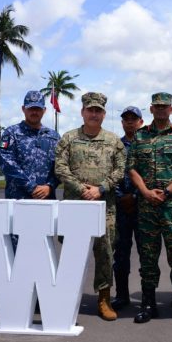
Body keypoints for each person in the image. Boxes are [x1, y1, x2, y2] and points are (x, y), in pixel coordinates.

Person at [54, 92, 125, 321]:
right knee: (72, 252)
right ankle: (66, 297)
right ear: (83, 112)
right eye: (90, 110)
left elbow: (120, 170)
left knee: (105, 253)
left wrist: (101, 188)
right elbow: (60, 167)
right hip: (75, 205)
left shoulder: (114, 141)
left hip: (105, 206)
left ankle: (104, 298)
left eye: (98, 110)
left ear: (103, 114)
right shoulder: (69, 138)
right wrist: (81, 188)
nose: (94, 114)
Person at [127, 92, 172, 325]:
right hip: (147, 206)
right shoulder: (140, 137)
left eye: (164, 107)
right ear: (151, 109)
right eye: (157, 107)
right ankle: (148, 304)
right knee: (148, 256)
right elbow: (132, 168)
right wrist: (146, 192)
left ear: (171, 109)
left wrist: (166, 192)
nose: (160, 110)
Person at [0, 90, 60, 250]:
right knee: (17, 250)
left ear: (44, 110)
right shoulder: (11, 133)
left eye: (38, 108)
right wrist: (31, 187)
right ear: (23, 109)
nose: (34, 112)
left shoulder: (53, 136)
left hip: (45, 201)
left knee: (43, 251)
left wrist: (50, 186)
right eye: (31, 108)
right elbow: (7, 163)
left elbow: (60, 167)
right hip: (18, 201)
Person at [112, 106, 144, 310]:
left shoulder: (147, 144)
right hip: (120, 207)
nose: (130, 122)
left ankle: (147, 296)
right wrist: (120, 196)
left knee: (146, 254)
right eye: (126, 119)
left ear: (141, 122)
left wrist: (135, 196)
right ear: (122, 123)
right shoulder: (114, 146)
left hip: (142, 207)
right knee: (121, 255)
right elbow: (107, 172)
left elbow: (151, 175)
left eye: (134, 119)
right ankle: (122, 295)